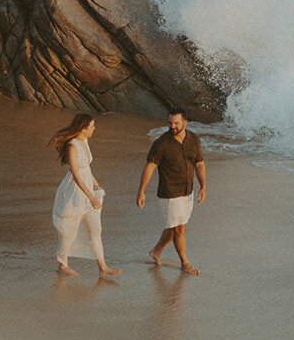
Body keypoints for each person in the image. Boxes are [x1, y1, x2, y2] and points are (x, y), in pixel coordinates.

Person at [49, 114, 121, 278]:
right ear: (83, 128)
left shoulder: (84, 142)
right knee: (69, 230)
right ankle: (63, 265)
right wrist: (90, 196)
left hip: (88, 188)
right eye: (92, 126)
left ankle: (103, 267)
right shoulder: (72, 147)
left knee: (95, 229)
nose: (94, 129)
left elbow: (86, 169)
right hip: (74, 192)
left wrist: (96, 185)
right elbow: (75, 174)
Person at [136, 109, 206, 274]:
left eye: (176, 123)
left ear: (185, 123)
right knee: (179, 230)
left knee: (174, 227)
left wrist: (203, 186)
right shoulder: (162, 143)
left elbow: (200, 164)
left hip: (188, 191)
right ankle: (185, 263)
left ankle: (156, 251)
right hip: (170, 192)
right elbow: (150, 167)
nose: (172, 126)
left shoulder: (193, 140)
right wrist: (141, 191)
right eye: (170, 123)